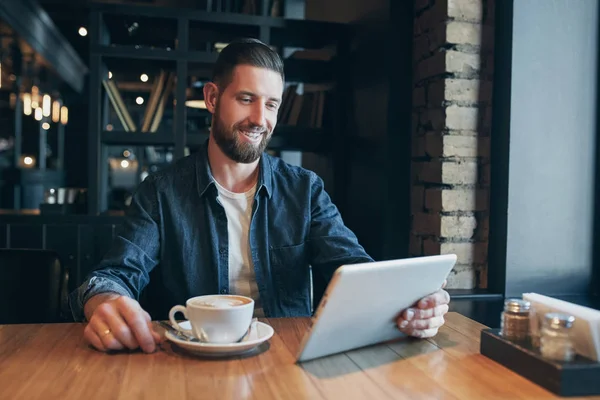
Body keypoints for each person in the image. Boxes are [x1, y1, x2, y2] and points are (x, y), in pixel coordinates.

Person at [70, 38, 450, 353]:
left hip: (288, 358)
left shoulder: (305, 189)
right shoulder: (161, 191)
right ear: (213, 98)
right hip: (190, 364)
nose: (259, 119)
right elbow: (113, 275)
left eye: (271, 104)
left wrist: (411, 306)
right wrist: (105, 304)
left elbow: (352, 268)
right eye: (246, 98)